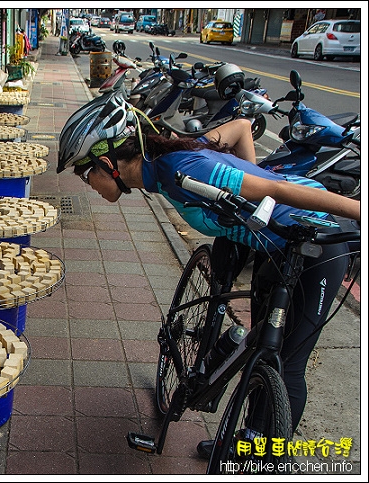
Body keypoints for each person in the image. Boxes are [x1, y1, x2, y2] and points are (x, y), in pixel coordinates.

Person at [56, 89, 360, 458]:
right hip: (272, 244)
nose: (87, 184)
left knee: (287, 366)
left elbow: (279, 188)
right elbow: (241, 128)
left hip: (315, 242)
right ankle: (244, 435)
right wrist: (250, 190)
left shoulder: (179, 170)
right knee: (263, 346)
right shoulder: (165, 164)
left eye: (85, 174)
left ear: (108, 163)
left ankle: (262, 455)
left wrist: (358, 213)